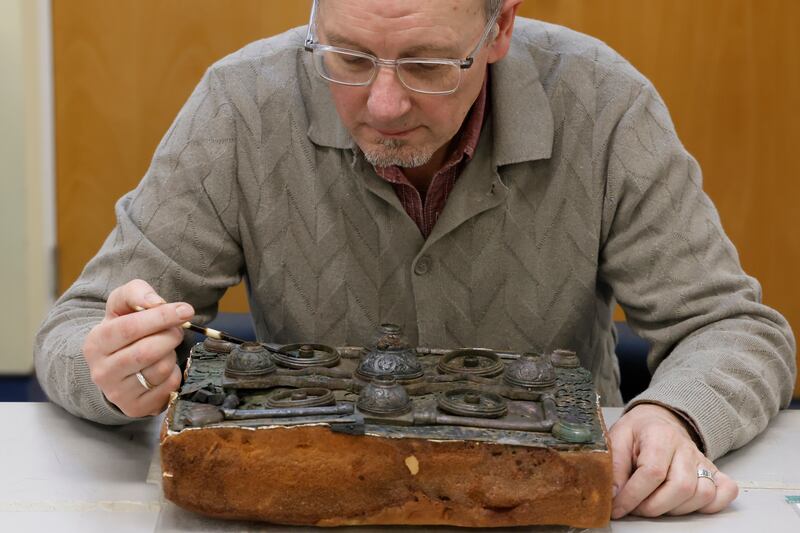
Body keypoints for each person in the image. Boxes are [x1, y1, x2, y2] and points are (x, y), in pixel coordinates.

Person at [35, 0, 795, 521]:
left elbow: (734, 327)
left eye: (428, 65)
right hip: (313, 504)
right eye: (349, 58)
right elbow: (75, 328)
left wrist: (674, 412)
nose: (384, 105)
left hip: (547, 506)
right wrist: (115, 372)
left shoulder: (603, 105)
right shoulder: (242, 105)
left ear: (500, 28)